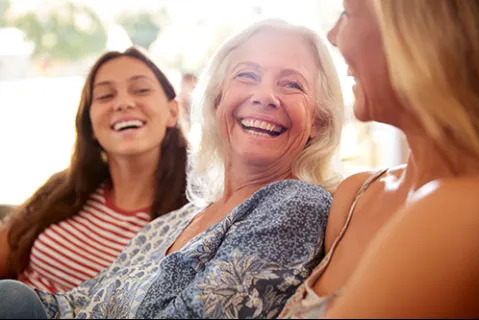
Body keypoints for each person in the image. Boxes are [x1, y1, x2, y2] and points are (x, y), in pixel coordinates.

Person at [0, 18, 344, 319]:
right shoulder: (178, 221)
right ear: (216, 100)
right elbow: (79, 301)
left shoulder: (295, 206)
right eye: (247, 75)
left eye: (292, 84)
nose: (265, 95)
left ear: (319, 120)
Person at [280, 0, 479, 318]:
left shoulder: (461, 210)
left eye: (347, 13)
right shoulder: (356, 195)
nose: (332, 35)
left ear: (414, 31)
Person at [0, 47, 188, 293]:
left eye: (141, 89)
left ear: (173, 112)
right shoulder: (63, 188)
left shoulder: (194, 219)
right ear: (90, 123)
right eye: (105, 96)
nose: (123, 103)